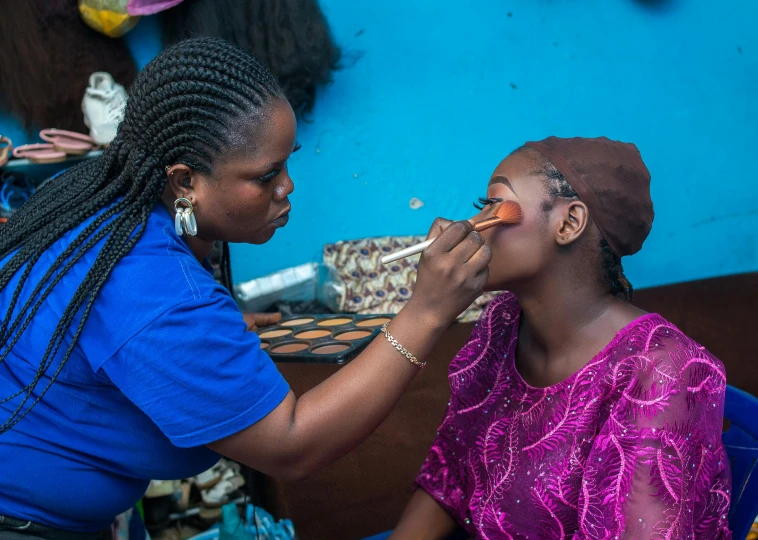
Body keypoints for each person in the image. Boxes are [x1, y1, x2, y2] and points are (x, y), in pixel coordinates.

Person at [0, 38, 492, 538]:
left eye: (287, 163)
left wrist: (203, 336)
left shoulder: (106, 212)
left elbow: (107, 333)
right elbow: (293, 444)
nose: (288, 188)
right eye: (266, 175)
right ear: (185, 181)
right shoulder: (158, 294)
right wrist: (427, 312)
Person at [391, 137, 732, 539]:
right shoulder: (502, 321)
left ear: (568, 224)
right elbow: (450, 473)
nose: (470, 227)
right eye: (478, 206)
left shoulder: (662, 372)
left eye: (493, 205)